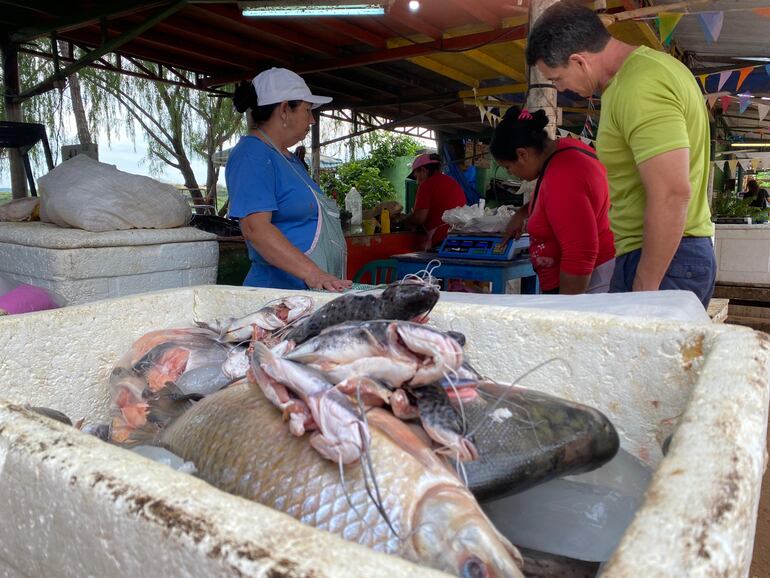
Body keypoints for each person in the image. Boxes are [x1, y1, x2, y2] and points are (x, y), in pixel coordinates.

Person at [526, 0, 716, 307]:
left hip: (663, 261)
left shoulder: (639, 86)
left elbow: (671, 193)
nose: (559, 89)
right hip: (659, 256)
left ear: (579, 61)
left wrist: (646, 285)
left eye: (557, 78)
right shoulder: (647, 72)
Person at [226, 68, 351, 292]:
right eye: (307, 110)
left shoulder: (290, 160)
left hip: (305, 294)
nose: (312, 120)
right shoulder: (252, 154)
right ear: (284, 110)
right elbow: (255, 229)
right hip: (278, 296)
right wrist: (313, 273)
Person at [491, 107, 615, 294]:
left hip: (588, 284)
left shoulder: (563, 176)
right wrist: (523, 212)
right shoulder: (564, 148)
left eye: (508, 167)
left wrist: (562, 314)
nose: (512, 174)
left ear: (522, 154)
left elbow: (580, 254)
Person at [399, 153, 466, 250]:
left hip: (441, 240)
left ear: (423, 170)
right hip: (459, 238)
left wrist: (404, 220)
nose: (417, 181)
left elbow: (419, 218)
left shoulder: (426, 185)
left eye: (416, 176)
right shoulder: (452, 182)